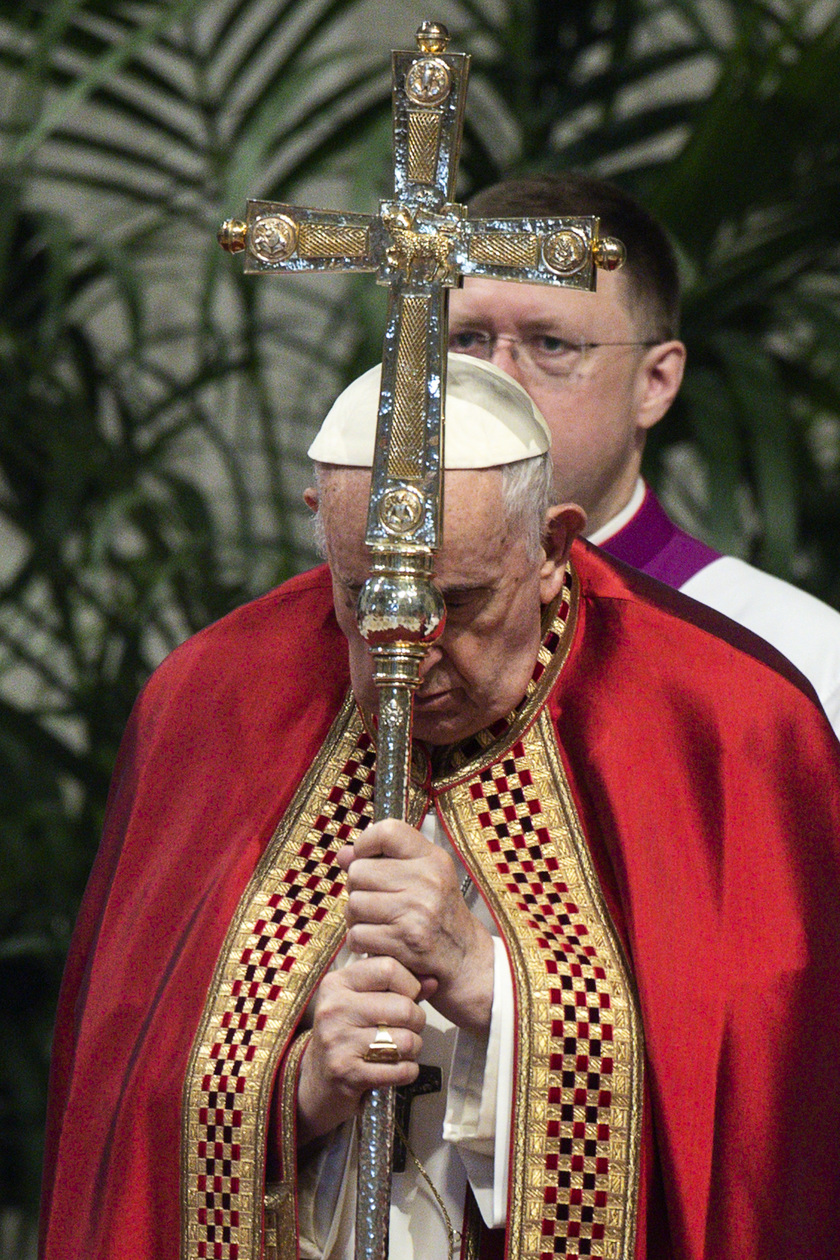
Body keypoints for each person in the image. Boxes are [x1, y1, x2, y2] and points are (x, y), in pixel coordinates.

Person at [39, 356, 840, 1260]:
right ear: (322, 531)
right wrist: (293, 1088)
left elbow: (760, 1119)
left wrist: (491, 988)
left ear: (549, 547)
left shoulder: (724, 723)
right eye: (365, 599)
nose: (408, 659)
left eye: (457, 603)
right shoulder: (214, 701)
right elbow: (118, 1111)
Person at [449, 172, 840, 732]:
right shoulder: (356, 632)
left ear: (655, 382)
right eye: (465, 340)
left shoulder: (796, 657)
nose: (496, 380)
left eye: (550, 344)